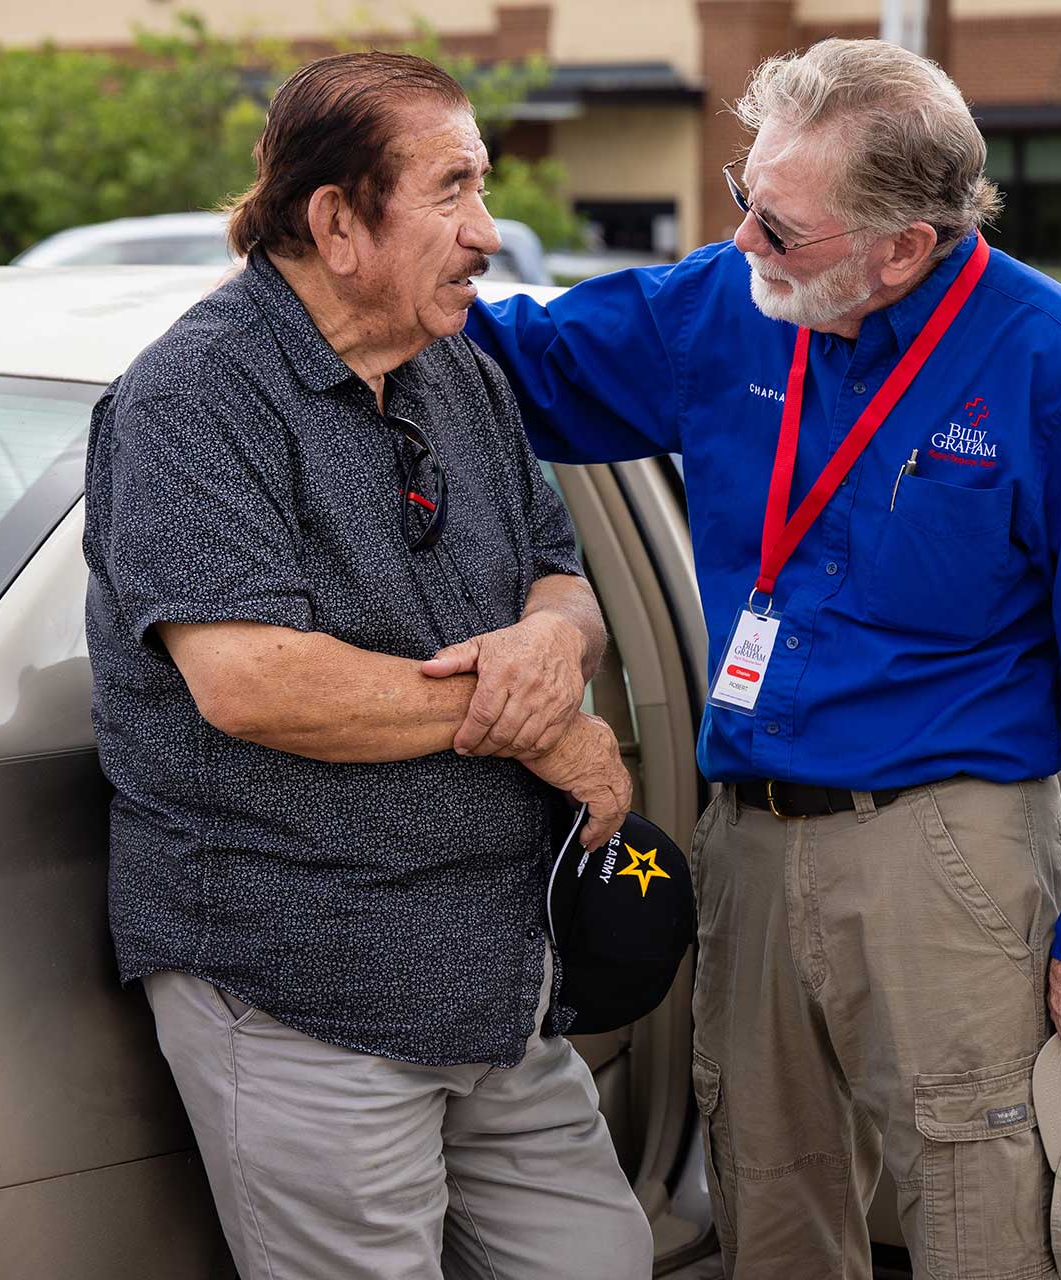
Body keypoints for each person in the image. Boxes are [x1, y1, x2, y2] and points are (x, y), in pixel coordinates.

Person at [464, 37, 1061, 1280]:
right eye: (745, 195)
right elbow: (517, 370)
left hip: (947, 850)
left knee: (980, 1218)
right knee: (770, 1202)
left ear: (903, 247)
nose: (745, 238)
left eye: (780, 225)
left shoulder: (1058, 368)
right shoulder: (733, 300)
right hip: (750, 838)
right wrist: (356, 274)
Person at [82, 50, 653, 1280]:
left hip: (500, 976)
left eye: (481, 188)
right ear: (338, 221)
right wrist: (544, 723)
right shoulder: (194, 395)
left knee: (600, 1255)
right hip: (304, 989)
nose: (486, 232)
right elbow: (253, 679)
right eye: (452, 190)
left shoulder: (460, 371)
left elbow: (562, 578)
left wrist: (550, 641)